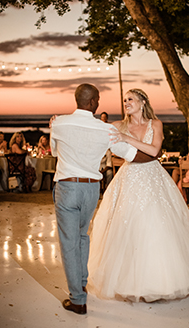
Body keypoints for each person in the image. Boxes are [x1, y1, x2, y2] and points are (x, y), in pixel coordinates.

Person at [87, 88, 189, 302]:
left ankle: (161, 282)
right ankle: (128, 282)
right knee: (126, 227)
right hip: (129, 177)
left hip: (153, 177)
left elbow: (154, 151)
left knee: (157, 226)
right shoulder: (118, 126)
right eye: (124, 100)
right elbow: (93, 129)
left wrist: (125, 138)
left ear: (143, 101)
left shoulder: (156, 124)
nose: (126, 103)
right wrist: (61, 122)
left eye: (130, 99)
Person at [49, 83, 156, 314]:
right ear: (93, 102)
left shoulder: (58, 123)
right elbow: (131, 154)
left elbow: (55, 152)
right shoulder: (104, 129)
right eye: (98, 99)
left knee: (69, 242)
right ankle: (82, 285)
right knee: (82, 236)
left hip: (67, 187)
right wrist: (154, 159)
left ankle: (77, 299)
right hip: (90, 189)